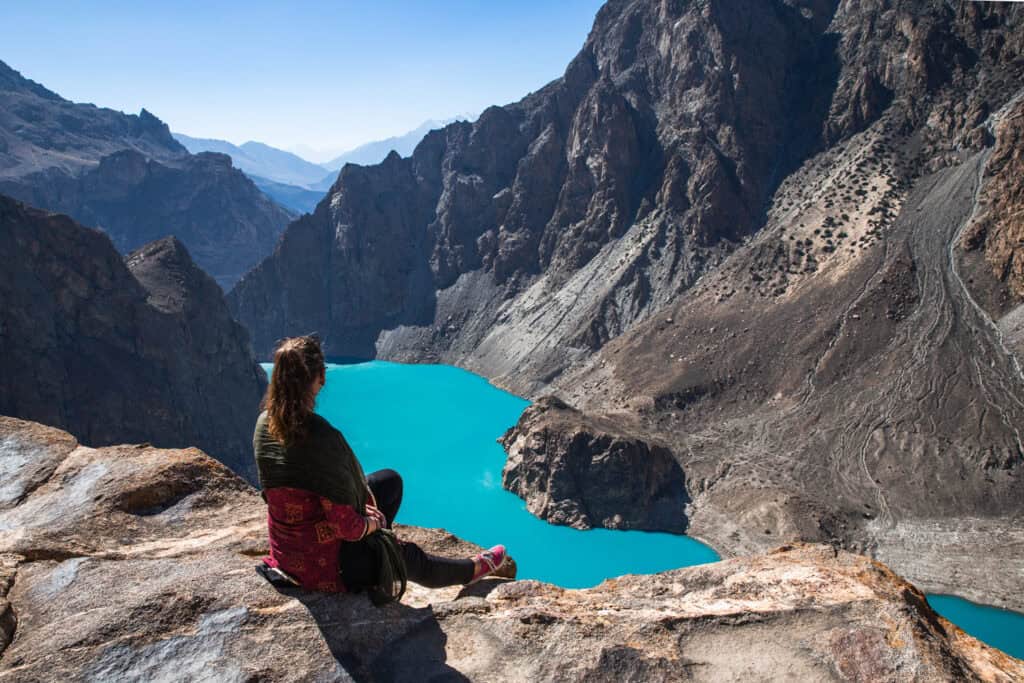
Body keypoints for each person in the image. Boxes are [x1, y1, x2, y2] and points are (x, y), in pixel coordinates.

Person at [253, 335, 515, 604]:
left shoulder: (265, 424)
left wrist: (361, 512)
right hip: (325, 568)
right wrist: (372, 523)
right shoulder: (320, 438)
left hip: (287, 551)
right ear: (320, 377)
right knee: (406, 557)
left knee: (388, 482)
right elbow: (348, 529)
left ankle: (373, 553)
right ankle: (472, 570)